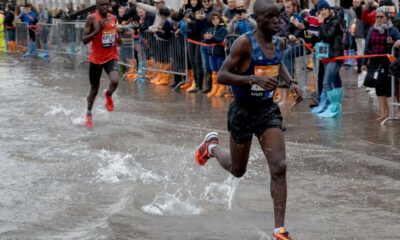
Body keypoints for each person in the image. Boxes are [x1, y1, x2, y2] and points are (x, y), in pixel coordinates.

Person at [194, 0, 302, 239]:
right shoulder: (245, 43)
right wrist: (253, 79)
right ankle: (210, 148)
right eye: (270, 18)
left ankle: (279, 230)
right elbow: (222, 75)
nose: (277, 21)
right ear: (258, 19)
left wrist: (292, 82)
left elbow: (278, 62)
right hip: (243, 111)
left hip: (266, 111)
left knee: (279, 166)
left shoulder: (279, 41)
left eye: (278, 17)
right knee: (237, 169)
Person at [82, 0, 120, 128]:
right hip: (96, 59)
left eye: (106, 4)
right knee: (94, 90)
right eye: (101, 5)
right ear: (97, 6)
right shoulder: (91, 18)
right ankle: (88, 114)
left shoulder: (113, 17)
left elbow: (114, 35)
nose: (104, 7)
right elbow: (84, 40)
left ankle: (108, 94)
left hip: (111, 57)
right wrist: (98, 30)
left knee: (115, 81)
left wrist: (118, 38)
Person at [362, 7, 400, 121]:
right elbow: (367, 46)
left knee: (387, 87)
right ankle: (383, 113)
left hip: (388, 61)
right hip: (375, 61)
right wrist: (364, 62)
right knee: (378, 86)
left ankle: (391, 114)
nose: (378, 19)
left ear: (387, 17)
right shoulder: (372, 29)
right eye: (377, 17)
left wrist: (392, 42)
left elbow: (398, 44)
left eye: (381, 17)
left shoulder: (393, 30)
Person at [311, 0, 344, 118]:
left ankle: (335, 107)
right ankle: (336, 106)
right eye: (320, 10)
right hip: (328, 55)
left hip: (335, 56)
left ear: (329, 9)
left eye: (324, 9)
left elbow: (327, 36)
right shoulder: (328, 21)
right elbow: (322, 36)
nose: (323, 12)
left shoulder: (335, 21)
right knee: (335, 81)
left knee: (327, 82)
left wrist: (321, 24)